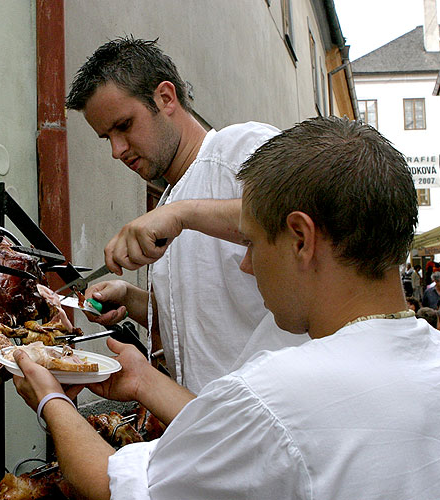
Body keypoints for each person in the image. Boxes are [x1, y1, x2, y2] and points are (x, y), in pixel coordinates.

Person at [11, 117, 440, 499]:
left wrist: (51, 399)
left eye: (251, 242)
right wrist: (145, 381)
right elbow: (248, 439)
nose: (246, 264)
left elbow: (124, 491)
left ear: (301, 238)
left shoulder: (273, 394)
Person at [65, 36, 304, 392]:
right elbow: (200, 323)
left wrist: (183, 213)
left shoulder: (240, 148)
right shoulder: (170, 202)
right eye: (106, 138)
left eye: (124, 126)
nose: (117, 151)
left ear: (165, 97)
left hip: (277, 413)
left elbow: (306, 219)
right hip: (211, 424)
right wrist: (131, 300)